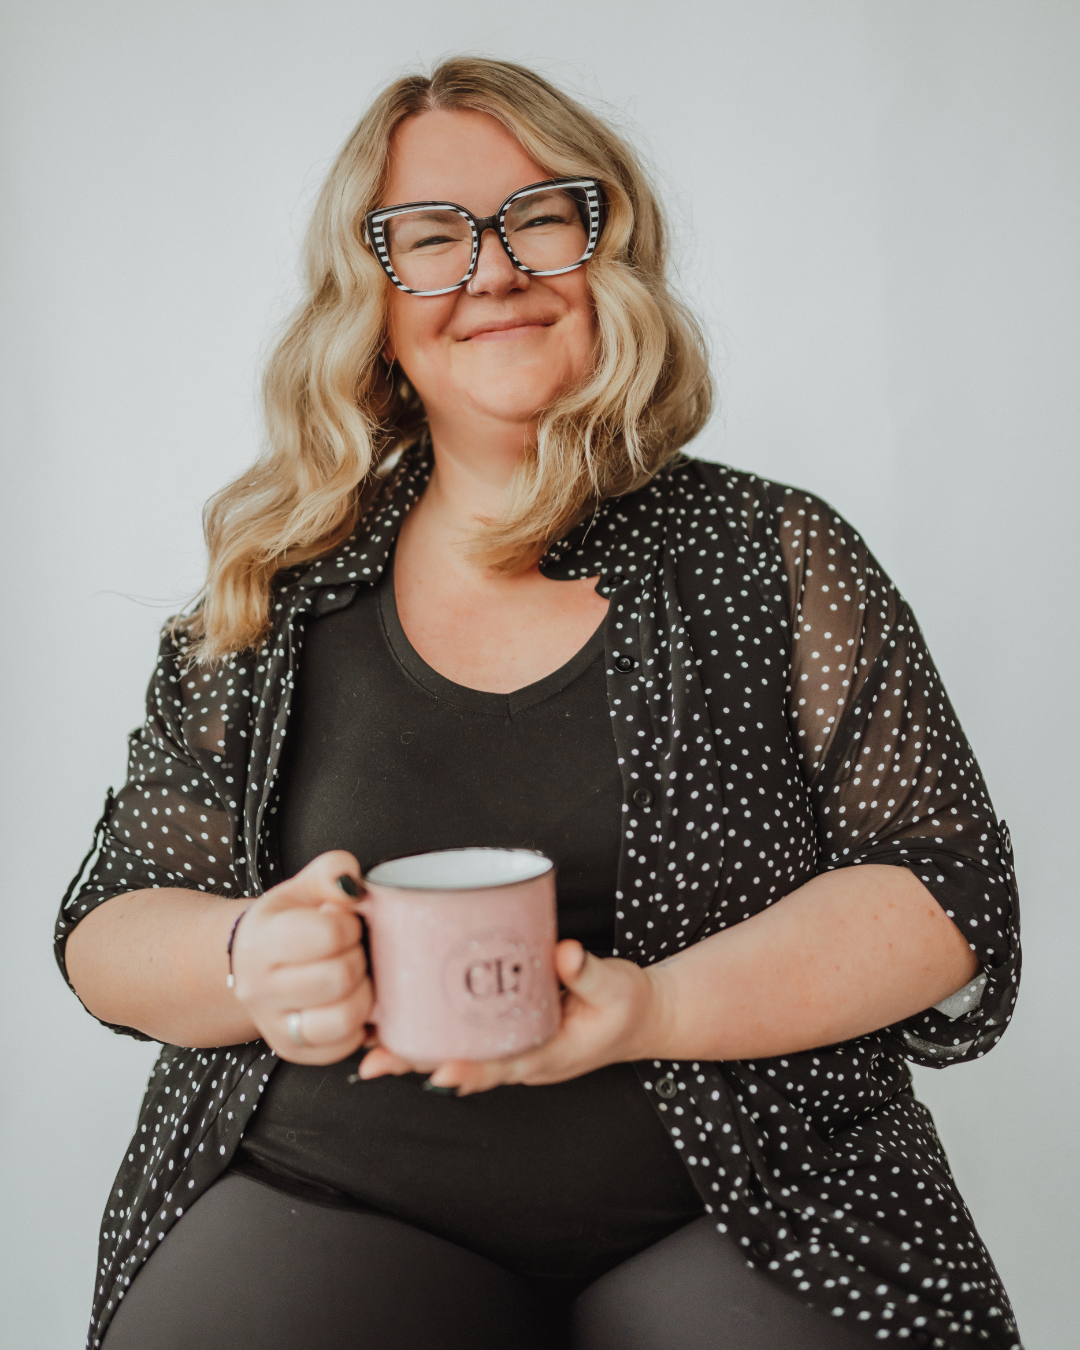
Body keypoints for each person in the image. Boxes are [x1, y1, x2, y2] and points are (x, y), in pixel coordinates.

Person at [57, 57, 1022, 1350]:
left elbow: (943, 889)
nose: (493, 271)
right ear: (372, 300)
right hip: (327, 1190)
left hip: (746, 1190)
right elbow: (111, 920)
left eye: (540, 218)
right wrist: (246, 959)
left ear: (607, 254)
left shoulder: (774, 552)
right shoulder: (275, 591)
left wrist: (657, 1010)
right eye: (430, 236)